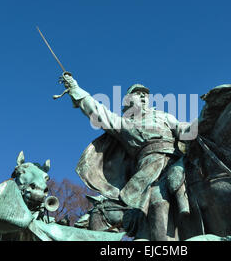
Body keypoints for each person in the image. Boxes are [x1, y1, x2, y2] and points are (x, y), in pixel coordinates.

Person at [58, 74, 196, 240]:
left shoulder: (164, 116)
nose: (144, 96)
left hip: (178, 161)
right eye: (138, 94)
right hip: (149, 172)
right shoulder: (124, 124)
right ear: (128, 101)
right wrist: (75, 88)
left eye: (145, 94)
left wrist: (198, 125)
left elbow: (183, 129)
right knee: (157, 202)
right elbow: (97, 112)